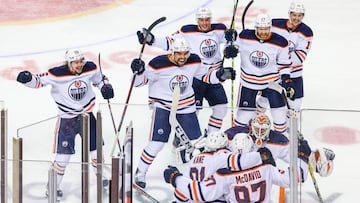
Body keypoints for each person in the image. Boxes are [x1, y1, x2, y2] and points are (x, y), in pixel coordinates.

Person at [130, 37, 235, 189]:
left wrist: (219, 75)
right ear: (172, 52)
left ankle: (202, 174)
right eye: (179, 53)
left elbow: (205, 76)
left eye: (185, 53)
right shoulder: (157, 64)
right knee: (156, 143)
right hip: (163, 106)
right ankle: (140, 172)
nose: (182, 57)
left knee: (197, 143)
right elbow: (138, 83)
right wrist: (138, 72)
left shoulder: (194, 61)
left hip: (186, 106)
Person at [16, 49, 114, 199]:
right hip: (67, 120)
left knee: (96, 153)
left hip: (88, 116)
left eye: (81, 61)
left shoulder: (91, 67)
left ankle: (102, 179)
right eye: (76, 62)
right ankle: (53, 185)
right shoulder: (57, 74)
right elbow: (38, 81)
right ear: (69, 63)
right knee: (63, 158)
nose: (79, 65)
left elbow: (100, 79)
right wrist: (27, 78)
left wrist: (105, 87)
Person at [136, 7, 238, 134]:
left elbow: (232, 42)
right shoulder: (187, 31)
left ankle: (212, 138)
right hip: (196, 77)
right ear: (197, 20)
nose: (205, 23)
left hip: (215, 76)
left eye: (207, 20)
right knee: (193, 111)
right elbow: (170, 42)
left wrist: (232, 41)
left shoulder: (219, 29)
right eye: (201, 20)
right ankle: (181, 140)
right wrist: (152, 40)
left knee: (221, 109)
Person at [163, 138, 312, 202]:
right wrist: (303, 158)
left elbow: (201, 193)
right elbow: (296, 178)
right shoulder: (266, 167)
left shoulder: (225, 174)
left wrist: (175, 178)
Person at [231, 13, 293, 134]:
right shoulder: (244, 36)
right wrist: (230, 50)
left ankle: (283, 143)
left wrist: (286, 80)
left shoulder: (281, 42)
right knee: (243, 117)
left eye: (266, 29)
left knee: (279, 116)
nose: (263, 32)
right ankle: (239, 140)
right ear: (256, 28)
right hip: (249, 83)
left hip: (272, 83)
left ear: (270, 28)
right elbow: (232, 47)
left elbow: (284, 64)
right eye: (260, 29)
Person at [225, 113, 335, 177]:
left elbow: (292, 156)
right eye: (257, 129)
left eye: (262, 130)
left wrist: (308, 156)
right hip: (256, 181)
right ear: (251, 127)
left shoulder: (278, 140)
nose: (259, 133)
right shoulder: (236, 134)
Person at [257, 2, 313, 119]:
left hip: (294, 75)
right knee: (262, 101)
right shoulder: (275, 24)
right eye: (294, 15)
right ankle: (254, 125)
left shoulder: (306, 32)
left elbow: (300, 57)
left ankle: (290, 133)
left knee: (294, 107)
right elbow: (262, 35)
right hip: (274, 74)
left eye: (299, 15)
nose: (296, 18)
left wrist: (280, 62)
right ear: (289, 14)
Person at [173, 131, 262, 202]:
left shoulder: (194, 160)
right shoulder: (223, 157)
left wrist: (175, 179)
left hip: (197, 195)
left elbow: (181, 195)